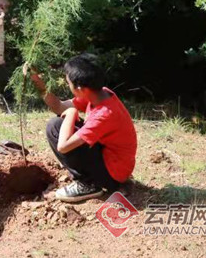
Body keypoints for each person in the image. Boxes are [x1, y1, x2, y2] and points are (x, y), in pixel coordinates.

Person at [23, 54, 137, 202]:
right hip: (112, 161)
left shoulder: (105, 114)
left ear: (80, 89)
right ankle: (91, 178)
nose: (67, 84)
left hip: (112, 174)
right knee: (58, 124)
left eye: (68, 82)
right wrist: (37, 81)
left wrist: (71, 113)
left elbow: (63, 147)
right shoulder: (99, 93)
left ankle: (89, 184)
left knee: (55, 127)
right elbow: (59, 106)